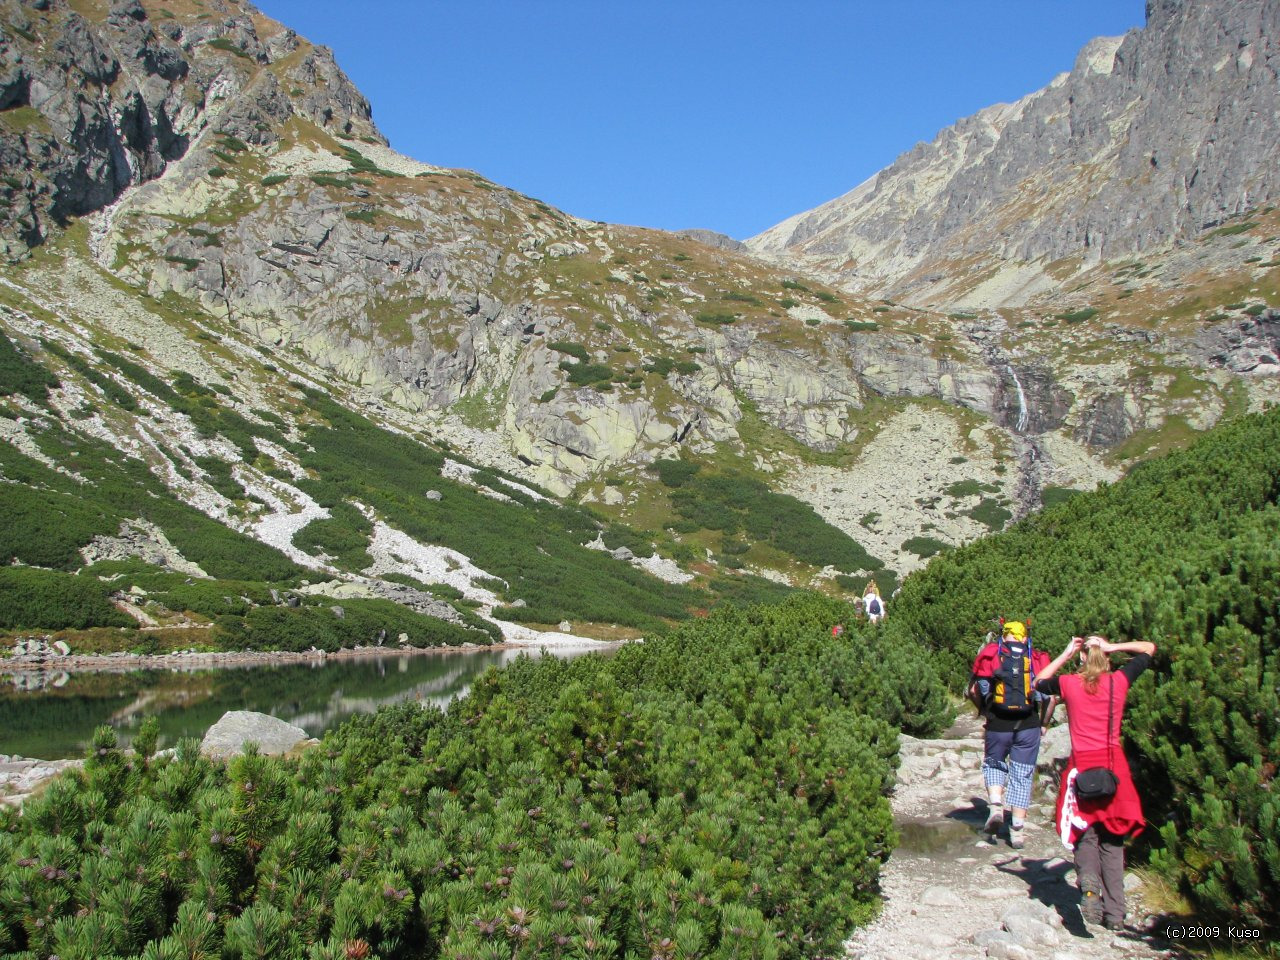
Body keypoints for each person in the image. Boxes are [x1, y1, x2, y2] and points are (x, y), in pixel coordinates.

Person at [1034, 634, 1157, 931]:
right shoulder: (1119, 681)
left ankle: (1089, 885)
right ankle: (1115, 915)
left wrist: (1064, 653)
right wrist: (1113, 646)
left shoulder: (1069, 684)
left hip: (1082, 768)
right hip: (1114, 769)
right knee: (1113, 839)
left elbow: (1038, 681)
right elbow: (1149, 649)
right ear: (1107, 658)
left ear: (1082, 659)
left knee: (1084, 832)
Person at [968, 620, 1055, 849]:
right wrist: (1044, 723)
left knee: (994, 764)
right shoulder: (1036, 657)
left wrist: (984, 711)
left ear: (1003, 635)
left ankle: (996, 806)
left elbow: (974, 689)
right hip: (1029, 724)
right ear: (1024, 637)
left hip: (998, 722)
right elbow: (1050, 698)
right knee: (1022, 774)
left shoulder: (991, 654)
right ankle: (1017, 831)